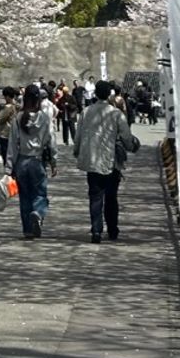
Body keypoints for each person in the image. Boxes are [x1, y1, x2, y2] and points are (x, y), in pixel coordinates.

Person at [74, 79, 136, 245]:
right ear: (109, 94)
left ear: (95, 94)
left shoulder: (86, 112)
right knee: (111, 197)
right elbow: (126, 136)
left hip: (92, 161)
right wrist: (131, 146)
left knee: (95, 197)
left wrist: (77, 151)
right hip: (111, 162)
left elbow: (78, 135)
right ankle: (113, 229)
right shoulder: (116, 114)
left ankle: (96, 230)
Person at [5, 83, 56, 239]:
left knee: (25, 196)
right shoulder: (44, 118)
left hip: (21, 160)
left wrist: (8, 168)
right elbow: (51, 141)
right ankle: (38, 212)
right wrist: (54, 161)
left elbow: (12, 143)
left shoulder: (18, 118)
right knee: (40, 193)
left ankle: (28, 229)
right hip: (37, 160)